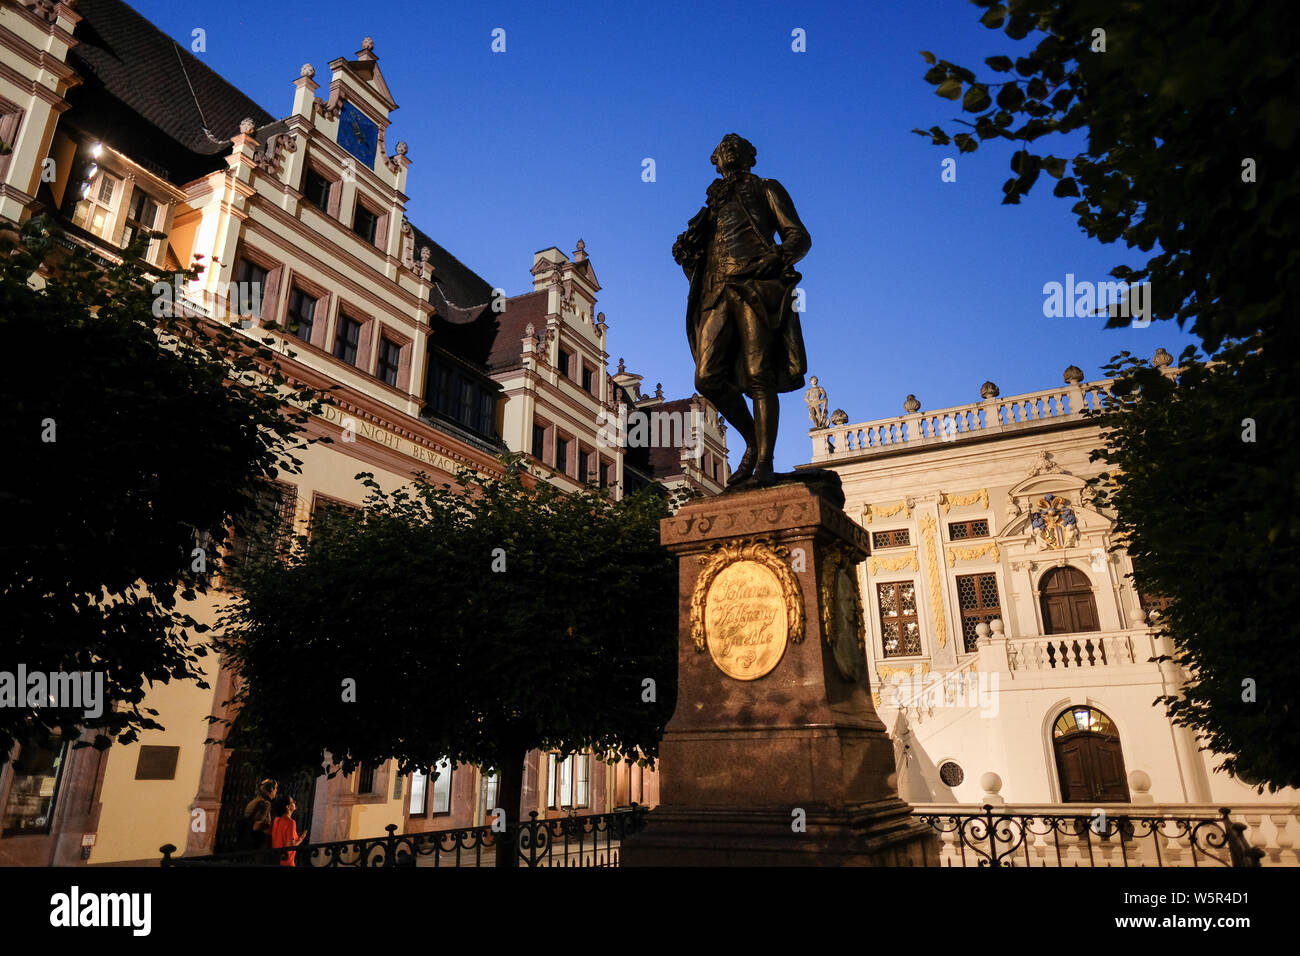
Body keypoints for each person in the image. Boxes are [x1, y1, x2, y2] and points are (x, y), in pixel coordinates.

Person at [673, 133, 812, 485]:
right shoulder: (712, 205)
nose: (728, 150)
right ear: (716, 160)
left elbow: (798, 236)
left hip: (754, 286)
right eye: (723, 149)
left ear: (749, 156)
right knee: (706, 377)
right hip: (715, 291)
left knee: (759, 375)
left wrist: (776, 257)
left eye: (736, 147)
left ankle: (764, 463)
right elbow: (696, 253)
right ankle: (752, 440)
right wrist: (686, 248)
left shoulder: (767, 188)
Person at [270, 794, 309, 867]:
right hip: (287, 860)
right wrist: (301, 838)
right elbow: (291, 845)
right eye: (292, 802)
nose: (295, 802)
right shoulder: (291, 822)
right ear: (287, 807)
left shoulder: (276, 820)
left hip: (277, 859)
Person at [240, 778, 277, 853]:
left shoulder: (254, 801)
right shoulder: (265, 804)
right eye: (276, 788)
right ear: (271, 789)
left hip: (246, 842)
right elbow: (256, 826)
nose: (276, 791)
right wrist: (270, 826)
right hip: (256, 844)